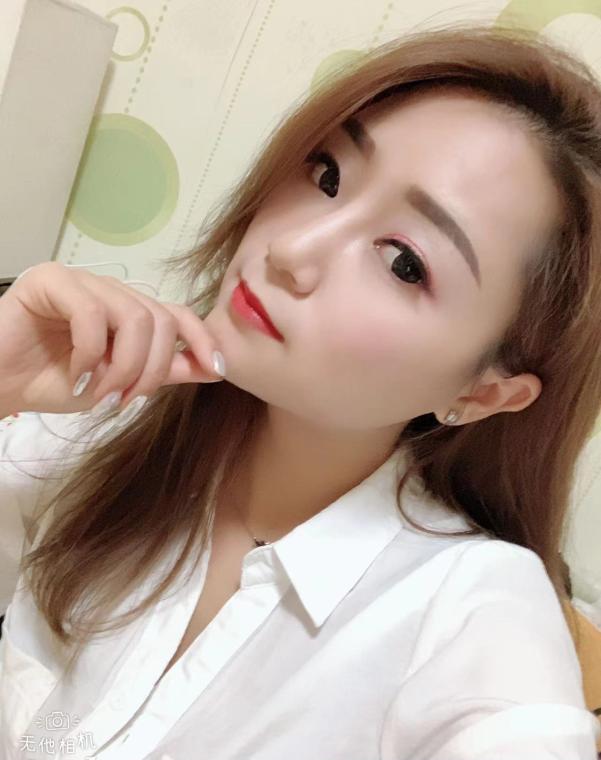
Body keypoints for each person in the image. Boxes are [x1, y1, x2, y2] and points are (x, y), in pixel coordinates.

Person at [1, 21, 601, 760]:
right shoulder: (103, 423)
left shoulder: (473, 614)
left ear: (482, 395)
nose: (289, 249)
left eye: (404, 263)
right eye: (327, 176)